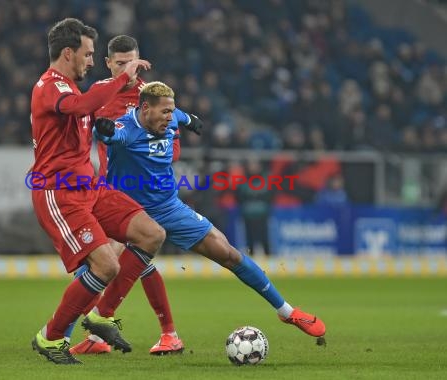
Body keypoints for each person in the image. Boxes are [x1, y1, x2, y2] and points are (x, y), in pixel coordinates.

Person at [91, 81, 326, 341]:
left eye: (172, 112)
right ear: (145, 108)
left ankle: (286, 311)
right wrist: (105, 130)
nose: (170, 118)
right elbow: (112, 134)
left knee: (228, 253)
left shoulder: (170, 118)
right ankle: (75, 333)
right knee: (101, 266)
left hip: (169, 208)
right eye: (165, 113)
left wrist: (190, 119)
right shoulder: (126, 128)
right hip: (130, 213)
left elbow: (181, 116)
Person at [29, 18, 166, 365]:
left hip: (90, 187)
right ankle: (51, 337)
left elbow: (86, 115)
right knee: (106, 265)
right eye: (88, 55)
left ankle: (101, 316)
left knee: (151, 234)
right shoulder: (50, 86)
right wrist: (124, 79)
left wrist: (105, 128)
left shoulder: (72, 89)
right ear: (68, 53)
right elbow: (82, 107)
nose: (92, 61)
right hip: (59, 192)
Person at [67, 35, 201, 356]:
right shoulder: (97, 96)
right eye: (121, 63)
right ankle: (103, 336)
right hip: (105, 192)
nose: (128, 69)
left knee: (108, 261)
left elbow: (173, 148)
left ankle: (67, 334)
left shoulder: (152, 98)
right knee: (107, 263)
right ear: (109, 63)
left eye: (133, 62)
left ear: (140, 61)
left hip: (142, 195)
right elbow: (81, 135)